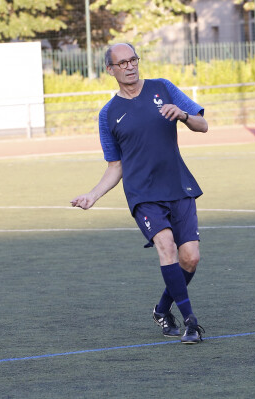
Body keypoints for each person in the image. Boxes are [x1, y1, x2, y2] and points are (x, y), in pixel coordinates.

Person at [70, 43, 208, 344]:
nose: (130, 66)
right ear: (110, 69)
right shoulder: (108, 114)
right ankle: (190, 322)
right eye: (122, 63)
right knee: (166, 247)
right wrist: (93, 195)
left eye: (133, 60)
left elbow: (203, 125)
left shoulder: (163, 88)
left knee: (191, 258)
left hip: (178, 185)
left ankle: (162, 309)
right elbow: (115, 166)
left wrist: (183, 115)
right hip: (143, 194)